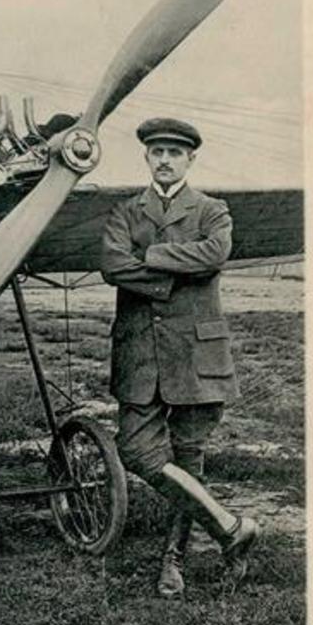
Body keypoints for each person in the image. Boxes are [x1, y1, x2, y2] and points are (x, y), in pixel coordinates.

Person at [100, 117, 259, 597]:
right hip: (140, 357)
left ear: (190, 159)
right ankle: (230, 528)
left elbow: (215, 253)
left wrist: (149, 258)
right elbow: (111, 265)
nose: (165, 159)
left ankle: (173, 563)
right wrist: (174, 273)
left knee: (189, 461)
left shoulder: (213, 210)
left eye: (174, 152)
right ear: (146, 158)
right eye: (157, 152)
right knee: (136, 451)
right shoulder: (125, 212)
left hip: (196, 355)